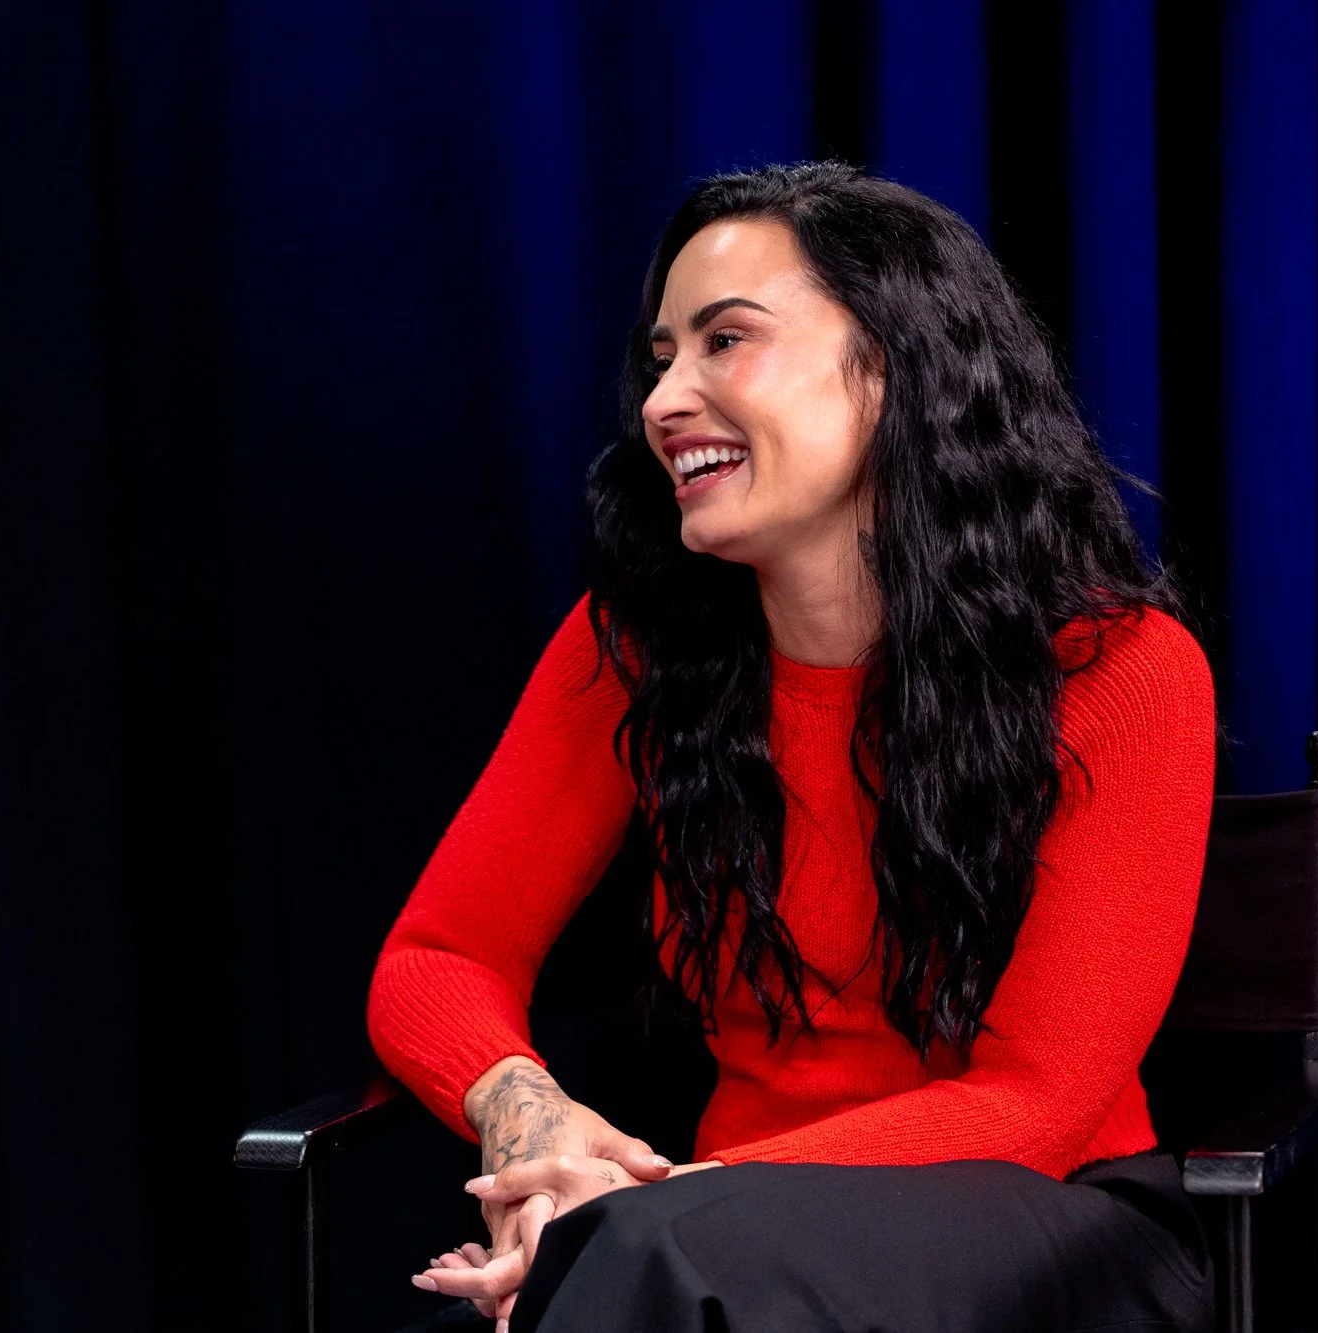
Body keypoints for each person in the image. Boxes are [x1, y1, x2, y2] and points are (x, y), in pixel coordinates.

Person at [367, 161, 1218, 1332]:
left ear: (889, 368)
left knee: (639, 1278)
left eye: (726, 340)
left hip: (1051, 1234)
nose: (667, 399)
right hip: (703, 1259)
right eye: (662, 356)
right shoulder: (636, 646)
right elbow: (436, 956)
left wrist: (639, 1206)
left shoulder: (1120, 669)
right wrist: (541, 1132)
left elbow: (1035, 1102)